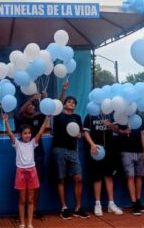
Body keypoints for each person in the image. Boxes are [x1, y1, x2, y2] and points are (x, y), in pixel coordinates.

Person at [4, 112, 50, 228]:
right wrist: (5, 121)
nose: (28, 135)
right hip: (20, 172)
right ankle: (22, 223)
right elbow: (10, 134)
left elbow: (40, 131)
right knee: (22, 200)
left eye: (29, 133)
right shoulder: (17, 144)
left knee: (30, 200)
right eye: (25, 133)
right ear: (21, 134)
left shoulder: (33, 143)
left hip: (32, 172)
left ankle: (29, 223)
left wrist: (47, 119)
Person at [52, 82, 89, 220]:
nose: (71, 103)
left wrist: (80, 134)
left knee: (78, 178)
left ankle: (78, 208)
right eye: (69, 101)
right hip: (59, 149)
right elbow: (59, 103)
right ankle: (64, 208)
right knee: (61, 179)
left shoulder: (77, 117)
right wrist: (64, 89)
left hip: (73, 150)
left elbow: (80, 133)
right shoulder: (58, 115)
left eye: (73, 102)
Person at [83, 112, 123, 216]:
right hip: (96, 151)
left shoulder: (110, 115)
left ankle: (111, 203)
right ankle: (97, 204)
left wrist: (110, 125)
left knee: (109, 176)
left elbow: (117, 130)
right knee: (97, 177)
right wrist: (92, 145)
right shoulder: (90, 115)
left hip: (109, 150)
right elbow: (86, 132)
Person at [15, 92, 47, 219]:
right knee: (22, 187)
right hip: (24, 159)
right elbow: (19, 112)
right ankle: (22, 210)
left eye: (33, 105)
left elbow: (49, 109)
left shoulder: (39, 118)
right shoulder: (21, 119)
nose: (31, 106)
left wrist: (44, 98)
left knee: (36, 185)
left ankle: (34, 209)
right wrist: (31, 98)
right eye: (29, 105)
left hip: (38, 155)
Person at [117, 123, 144, 215]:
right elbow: (117, 130)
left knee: (139, 176)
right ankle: (134, 204)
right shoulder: (121, 117)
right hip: (126, 151)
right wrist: (124, 131)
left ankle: (138, 201)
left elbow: (142, 134)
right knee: (130, 176)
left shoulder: (139, 118)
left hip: (139, 151)